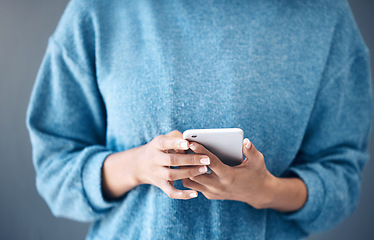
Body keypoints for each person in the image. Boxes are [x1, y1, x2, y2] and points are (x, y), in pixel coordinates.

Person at [26, 0, 372, 239]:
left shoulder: (324, 16)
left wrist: (266, 190)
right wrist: (136, 167)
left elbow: (341, 178)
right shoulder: (100, 10)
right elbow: (55, 168)